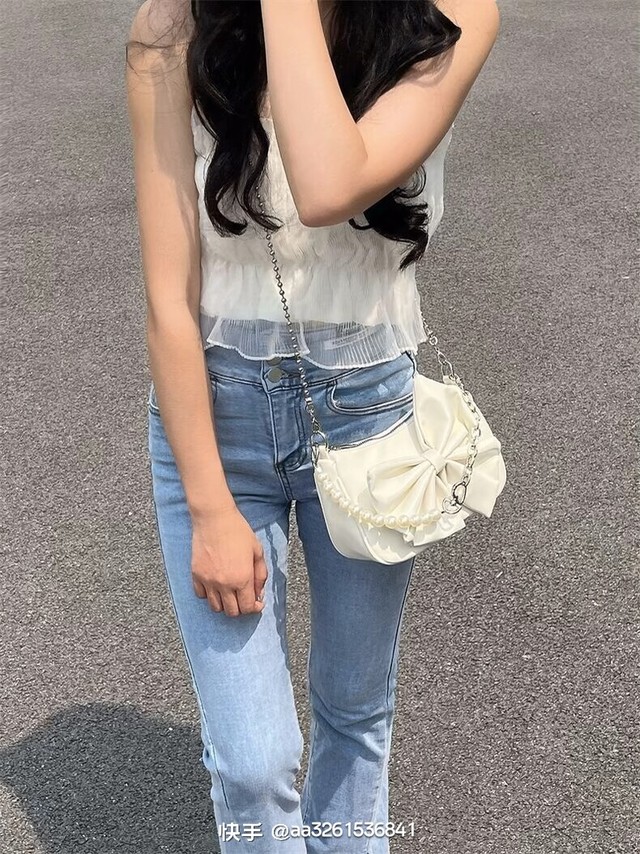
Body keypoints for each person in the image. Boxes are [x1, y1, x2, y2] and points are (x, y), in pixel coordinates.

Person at [125, 0, 500, 851]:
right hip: (218, 419)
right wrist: (211, 508)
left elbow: (330, 185)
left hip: (368, 410)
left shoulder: (448, 16)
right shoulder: (174, 27)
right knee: (253, 763)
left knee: (355, 711)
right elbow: (168, 302)